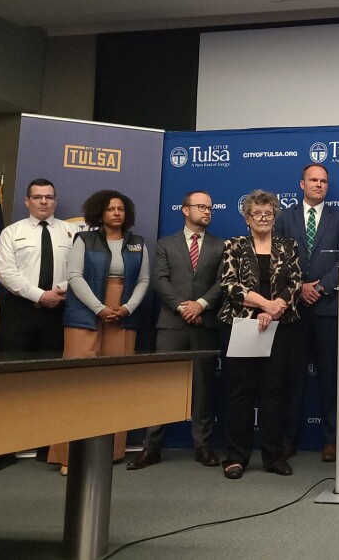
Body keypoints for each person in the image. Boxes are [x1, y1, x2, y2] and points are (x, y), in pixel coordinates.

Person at [48, 190, 150, 475]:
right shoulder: (84, 239)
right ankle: (70, 455)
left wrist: (127, 307)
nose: (116, 213)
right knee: (78, 384)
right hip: (86, 313)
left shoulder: (137, 243)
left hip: (123, 316)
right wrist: (99, 308)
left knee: (114, 385)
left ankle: (111, 452)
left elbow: (144, 280)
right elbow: (75, 277)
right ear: (99, 213)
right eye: (110, 209)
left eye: (120, 209)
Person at [127, 191, 223, 470]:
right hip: (171, 323)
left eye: (210, 207)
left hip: (204, 324)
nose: (207, 211)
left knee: (203, 387)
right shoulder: (165, 244)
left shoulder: (220, 246)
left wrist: (201, 305)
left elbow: (222, 282)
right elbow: (159, 279)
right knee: (162, 385)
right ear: (185, 210)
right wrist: (183, 307)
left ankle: (203, 446)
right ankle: (151, 447)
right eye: (201, 207)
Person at [0, 178, 75, 472]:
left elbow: (77, 269)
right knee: (12, 378)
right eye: (37, 197)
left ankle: (47, 445)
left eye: (49, 197)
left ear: (55, 200)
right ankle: (3, 448)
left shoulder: (71, 231)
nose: (44, 202)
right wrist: (39, 295)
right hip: (19, 311)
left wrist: (56, 293)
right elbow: (6, 273)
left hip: (58, 310)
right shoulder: (12, 232)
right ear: (27, 201)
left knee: (50, 378)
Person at [219, 190, 302, 479]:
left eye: (269, 213)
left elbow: (294, 283)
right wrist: (264, 305)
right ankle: (235, 457)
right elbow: (229, 285)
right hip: (243, 326)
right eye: (258, 213)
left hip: (279, 326)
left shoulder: (287, 245)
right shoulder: (235, 246)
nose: (264, 218)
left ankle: (274, 456)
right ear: (247, 217)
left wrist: (274, 309)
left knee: (274, 392)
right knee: (240, 392)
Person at [274, 164, 339, 463]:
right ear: (301, 183)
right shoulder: (284, 217)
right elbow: (277, 259)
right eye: (313, 180)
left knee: (330, 379)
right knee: (291, 379)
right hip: (292, 310)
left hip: (327, 309)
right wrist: (299, 287)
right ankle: (287, 441)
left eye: (323, 181)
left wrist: (319, 288)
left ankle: (332, 441)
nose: (319, 185)